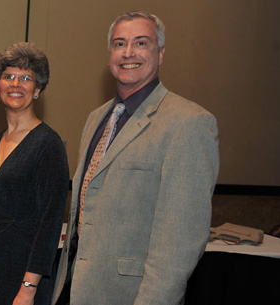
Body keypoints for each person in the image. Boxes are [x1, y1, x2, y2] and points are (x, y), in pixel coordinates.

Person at [52, 11, 219, 304]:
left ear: (161, 53)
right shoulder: (96, 118)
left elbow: (179, 242)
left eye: (141, 43)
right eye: (119, 44)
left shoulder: (188, 123)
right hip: (77, 289)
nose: (128, 53)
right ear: (109, 55)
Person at [0, 42, 68, 305]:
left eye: (26, 78)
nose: (15, 84)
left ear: (38, 89)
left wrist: (29, 287)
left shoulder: (48, 144)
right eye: (8, 77)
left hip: (21, 275)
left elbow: (50, 224)